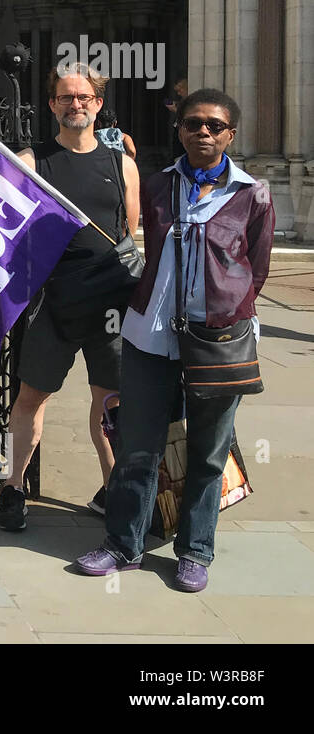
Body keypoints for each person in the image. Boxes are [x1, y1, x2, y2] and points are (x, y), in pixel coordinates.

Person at [76, 89, 273, 592]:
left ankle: (195, 551)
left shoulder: (252, 193)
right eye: (192, 124)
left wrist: (224, 308)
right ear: (179, 130)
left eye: (213, 125)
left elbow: (257, 267)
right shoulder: (160, 185)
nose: (202, 132)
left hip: (217, 342)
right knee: (138, 448)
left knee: (209, 450)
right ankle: (124, 545)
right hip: (151, 336)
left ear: (231, 134)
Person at [0, 61, 140, 529]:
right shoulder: (32, 162)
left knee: (111, 402)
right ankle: (14, 487)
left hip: (111, 302)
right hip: (52, 301)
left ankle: (114, 493)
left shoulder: (122, 165)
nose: (74, 104)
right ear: (52, 104)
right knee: (31, 398)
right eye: (65, 97)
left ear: (98, 103)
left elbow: (129, 230)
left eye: (84, 97)